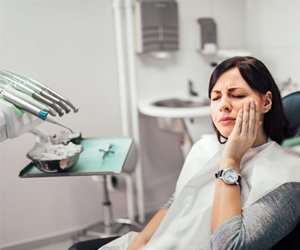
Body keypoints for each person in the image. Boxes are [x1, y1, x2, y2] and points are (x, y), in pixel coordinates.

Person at [103, 56, 300, 250]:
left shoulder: (288, 177)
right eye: (215, 97)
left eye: (237, 95)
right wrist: (140, 241)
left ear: (266, 102)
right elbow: (179, 199)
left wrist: (231, 159)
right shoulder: (205, 147)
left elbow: (229, 246)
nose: (223, 105)